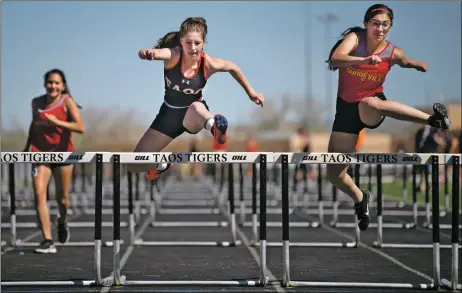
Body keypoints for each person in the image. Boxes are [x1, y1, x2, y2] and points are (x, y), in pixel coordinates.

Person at [325, 4, 451, 231]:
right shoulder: (356, 39)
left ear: (390, 27)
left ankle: (432, 120)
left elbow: (404, 60)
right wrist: (363, 60)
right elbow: (336, 59)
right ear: (366, 24)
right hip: (345, 110)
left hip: (372, 106)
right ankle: (360, 198)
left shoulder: (392, 52)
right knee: (334, 173)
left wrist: (416, 65)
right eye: (375, 24)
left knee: (369, 102)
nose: (380, 29)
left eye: (385, 25)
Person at [127, 17, 264, 180]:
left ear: (204, 42)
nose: (193, 48)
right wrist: (147, 53)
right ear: (181, 42)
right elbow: (155, 52)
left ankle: (215, 126)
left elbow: (233, 67)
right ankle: (160, 165)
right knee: (133, 163)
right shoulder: (173, 55)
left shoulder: (208, 64)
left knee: (196, 106)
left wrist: (251, 93)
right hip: (168, 117)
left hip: (192, 116)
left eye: (197, 43)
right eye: (188, 43)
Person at [22, 69, 85, 253]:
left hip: (63, 154)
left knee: (62, 199)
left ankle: (62, 221)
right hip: (40, 152)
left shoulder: (67, 101)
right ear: (45, 84)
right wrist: (27, 147)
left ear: (62, 86)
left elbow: (80, 127)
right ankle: (47, 240)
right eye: (50, 82)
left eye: (57, 83)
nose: (53, 86)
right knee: (39, 193)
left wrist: (57, 122)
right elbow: (34, 124)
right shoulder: (36, 102)